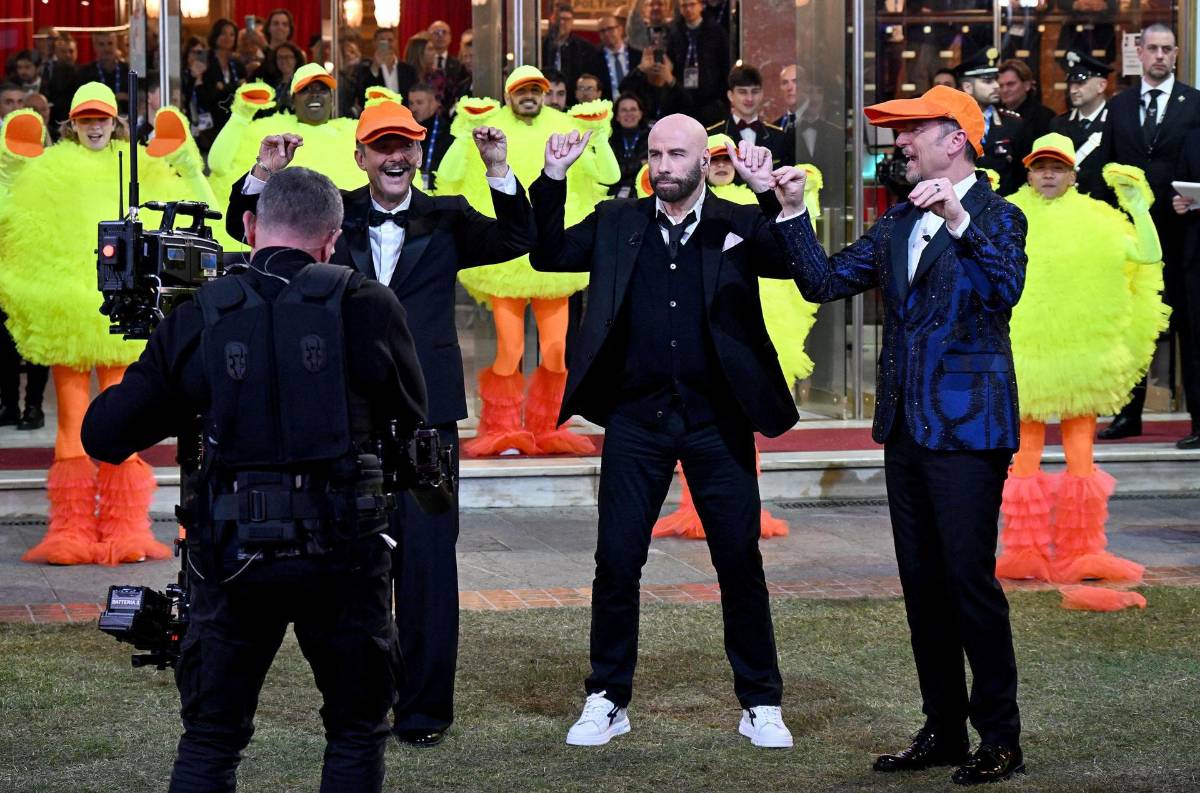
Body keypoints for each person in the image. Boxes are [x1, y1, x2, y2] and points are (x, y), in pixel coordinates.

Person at [84, 165, 426, 793]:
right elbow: (412, 416)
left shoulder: (196, 315)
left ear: (248, 227)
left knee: (212, 737)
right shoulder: (369, 304)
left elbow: (104, 435)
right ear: (333, 238)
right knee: (356, 731)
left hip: (231, 557)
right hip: (343, 554)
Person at [227, 100, 536, 749]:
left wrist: (500, 168)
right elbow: (246, 227)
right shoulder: (334, 212)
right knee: (349, 565)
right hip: (348, 417)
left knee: (426, 566)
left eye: (407, 145)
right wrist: (263, 172)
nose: (396, 156)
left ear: (418, 152)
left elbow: (516, 238)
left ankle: (423, 711)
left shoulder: (447, 214)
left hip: (428, 420)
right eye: (383, 145)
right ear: (361, 155)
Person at [777, 84, 1027, 784]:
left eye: (912, 129)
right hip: (906, 432)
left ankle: (1000, 736)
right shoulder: (892, 224)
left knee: (968, 583)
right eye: (898, 131)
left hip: (971, 433)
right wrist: (794, 212)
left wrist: (956, 220)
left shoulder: (999, 215)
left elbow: (1003, 290)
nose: (899, 143)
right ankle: (944, 728)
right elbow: (823, 282)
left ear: (956, 139)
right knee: (922, 587)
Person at [529, 118, 800, 748]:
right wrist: (552, 178)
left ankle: (761, 700)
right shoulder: (617, 221)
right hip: (635, 421)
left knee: (739, 561)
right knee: (617, 563)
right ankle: (607, 696)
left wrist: (769, 196)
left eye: (677, 153)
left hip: (718, 419)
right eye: (655, 153)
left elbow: (790, 263)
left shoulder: (738, 221)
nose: (663, 164)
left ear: (707, 161)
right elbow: (547, 256)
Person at [0, 83, 216, 566]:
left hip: (123, 316)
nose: (94, 126)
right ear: (71, 123)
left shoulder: (139, 165)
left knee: (125, 418)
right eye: (85, 119)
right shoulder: (51, 168)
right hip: (69, 316)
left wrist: (185, 159)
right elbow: (10, 218)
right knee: (73, 420)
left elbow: (199, 213)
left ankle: (125, 529)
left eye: (101, 118)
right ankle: (70, 530)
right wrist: (8, 165)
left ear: (115, 120)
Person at [996, 134, 1166, 590]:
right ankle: (1023, 551)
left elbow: (1149, 255)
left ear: (1073, 174)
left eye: (1057, 167)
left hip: (1079, 358)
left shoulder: (1100, 219)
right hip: (1025, 354)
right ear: (1028, 172)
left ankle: (1082, 550)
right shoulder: (1008, 213)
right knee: (1023, 456)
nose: (1048, 174)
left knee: (1081, 455)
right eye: (1040, 167)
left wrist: (1139, 207)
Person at [436, 65, 617, 457]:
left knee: (555, 350)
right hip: (507, 261)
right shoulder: (489, 127)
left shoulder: (566, 124)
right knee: (509, 349)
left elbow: (610, 175)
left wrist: (600, 136)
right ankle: (501, 429)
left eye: (536, 89)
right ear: (508, 94)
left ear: (547, 92)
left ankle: (548, 427)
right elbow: (448, 177)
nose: (530, 95)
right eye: (522, 90)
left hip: (554, 257)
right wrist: (462, 132)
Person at [652, 133, 819, 541]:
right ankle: (697, 509)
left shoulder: (754, 203)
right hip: (717, 328)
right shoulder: (691, 206)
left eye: (729, 158)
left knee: (744, 419)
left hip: (767, 321)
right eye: (716, 157)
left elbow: (792, 245)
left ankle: (740, 508)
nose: (723, 165)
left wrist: (766, 189)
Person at [1096, 23, 1200, 445]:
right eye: (1152, 48)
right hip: (1133, 238)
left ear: (1176, 54)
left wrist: (1193, 200)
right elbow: (1106, 164)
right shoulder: (1119, 107)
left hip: (1185, 237)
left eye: (1166, 49)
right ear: (1139, 51)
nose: (1159, 55)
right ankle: (1128, 414)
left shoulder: (1194, 103)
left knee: (1191, 328)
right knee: (1131, 327)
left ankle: (1199, 421)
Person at [957, 48, 1028, 195]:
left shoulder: (1014, 124)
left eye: (996, 79)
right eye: (988, 81)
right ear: (968, 87)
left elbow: (1022, 177)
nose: (996, 85)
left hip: (1004, 210)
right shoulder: (951, 125)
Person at [1049, 50, 1111, 197]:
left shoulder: (1115, 123)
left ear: (1101, 86)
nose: (1073, 90)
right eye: (1071, 84)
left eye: (1081, 83)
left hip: (1102, 209)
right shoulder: (1058, 124)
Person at [707, 65, 793, 170]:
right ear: (730, 96)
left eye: (755, 91)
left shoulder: (779, 137)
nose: (749, 98)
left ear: (762, 94)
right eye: (742, 92)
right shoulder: (713, 135)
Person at [667, 0, 731, 125]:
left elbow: (725, 64)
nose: (688, 9)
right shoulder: (675, 32)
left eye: (692, 4)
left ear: (701, 6)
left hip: (711, 100)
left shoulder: (716, 31)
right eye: (684, 6)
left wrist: (722, 98)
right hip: (683, 99)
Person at [615, 47, 691, 121]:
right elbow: (623, 88)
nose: (657, 67)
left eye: (662, 65)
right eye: (653, 64)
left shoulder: (674, 88)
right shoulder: (639, 86)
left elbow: (688, 103)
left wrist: (670, 79)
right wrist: (641, 68)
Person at [198, 19, 244, 136]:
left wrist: (223, 87)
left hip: (233, 122)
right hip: (209, 122)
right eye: (223, 33)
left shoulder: (237, 63)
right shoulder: (204, 58)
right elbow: (208, 92)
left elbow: (242, 88)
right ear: (215, 35)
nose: (228, 37)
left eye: (232, 34)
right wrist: (233, 86)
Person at [541, 3, 599, 98]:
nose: (562, 23)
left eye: (566, 19)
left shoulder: (585, 48)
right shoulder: (541, 45)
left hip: (574, 99)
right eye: (559, 19)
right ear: (552, 19)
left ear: (572, 22)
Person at [354, 28, 417, 109]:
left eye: (390, 40)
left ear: (396, 42)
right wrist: (375, 68)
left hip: (403, 117)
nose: (387, 44)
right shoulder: (364, 70)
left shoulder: (408, 70)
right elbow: (362, 98)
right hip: (377, 117)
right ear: (375, 43)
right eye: (382, 40)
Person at [408, 82, 453, 191]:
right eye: (411, 103)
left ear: (434, 104)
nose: (413, 108)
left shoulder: (448, 132)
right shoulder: (405, 131)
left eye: (419, 103)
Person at [997, 59, 1054, 140]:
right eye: (1001, 85)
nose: (1005, 90)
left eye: (1011, 84)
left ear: (1027, 85)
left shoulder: (1045, 118)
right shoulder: (994, 115)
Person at [609, 91, 648, 197]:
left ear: (640, 114)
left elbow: (647, 171)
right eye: (624, 110)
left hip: (642, 193)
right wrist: (640, 164)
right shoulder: (608, 140)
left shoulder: (651, 138)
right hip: (612, 194)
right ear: (617, 116)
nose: (629, 114)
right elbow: (611, 173)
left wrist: (624, 169)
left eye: (633, 109)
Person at [75, 31, 130, 106]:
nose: (106, 48)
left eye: (110, 43)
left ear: (116, 44)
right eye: (101, 44)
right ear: (95, 47)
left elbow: (141, 100)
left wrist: (128, 97)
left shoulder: (129, 70)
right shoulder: (84, 73)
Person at [597, 14, 640, 101]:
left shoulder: (637, 56)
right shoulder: (594, 58)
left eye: (610, 29)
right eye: (602, 31)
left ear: (620, 30)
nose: (606, 33)